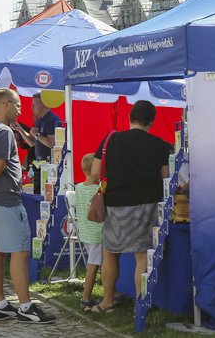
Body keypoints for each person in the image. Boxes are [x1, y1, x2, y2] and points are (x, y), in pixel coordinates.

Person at [0, 88, 56, 323]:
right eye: (18, 105)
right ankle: (25, 307)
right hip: (5, 200)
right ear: (5, 104)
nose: (21, 109)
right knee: (19, 251)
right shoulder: (3, 132)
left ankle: (1, 305)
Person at [89, 100, 169, 313]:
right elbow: (165, 177)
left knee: (110, 253)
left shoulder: (111, 139)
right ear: (151, 122)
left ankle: (107, 303)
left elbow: (95, 172)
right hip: (147, 205)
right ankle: (140, 305)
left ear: (130, 118)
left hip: (115, 204)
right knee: (142, 255)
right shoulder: (159, 144)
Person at [75, 153, 121, 310]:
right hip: (97, 234)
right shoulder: (100, 189)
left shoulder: (79, 187)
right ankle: (86, 298)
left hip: (86, 232)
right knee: (93, 266)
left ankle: (115, 294)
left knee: (102, 263)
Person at [11, 93, 60, 194]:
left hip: (50, 165)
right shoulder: (39, 120)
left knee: (47, 195)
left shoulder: (53, 119)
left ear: (43, 105)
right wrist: (20, 129)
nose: (31, 107)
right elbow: (32, 142)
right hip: (39, 165)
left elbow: (51, 143)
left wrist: (37, 135)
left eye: (34, 105)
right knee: (38, 193)